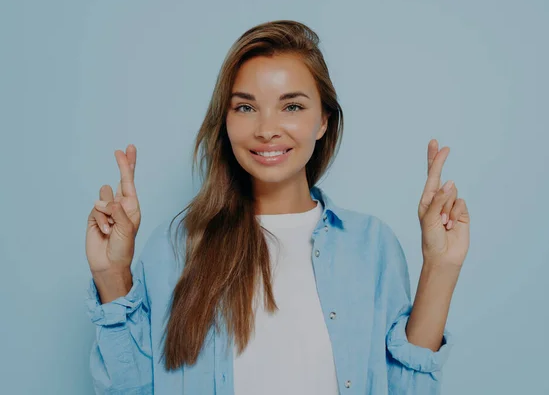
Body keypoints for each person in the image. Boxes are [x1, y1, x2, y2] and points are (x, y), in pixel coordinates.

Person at [85, 20, 470, 395]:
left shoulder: (371, 246)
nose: (267, 129)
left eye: (292, 107)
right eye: (246, 108)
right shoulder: (175, 247)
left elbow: (406, 388)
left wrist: (441, 266)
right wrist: (111, 273)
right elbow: (128, 389)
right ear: (226, 121)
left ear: (323, 120)